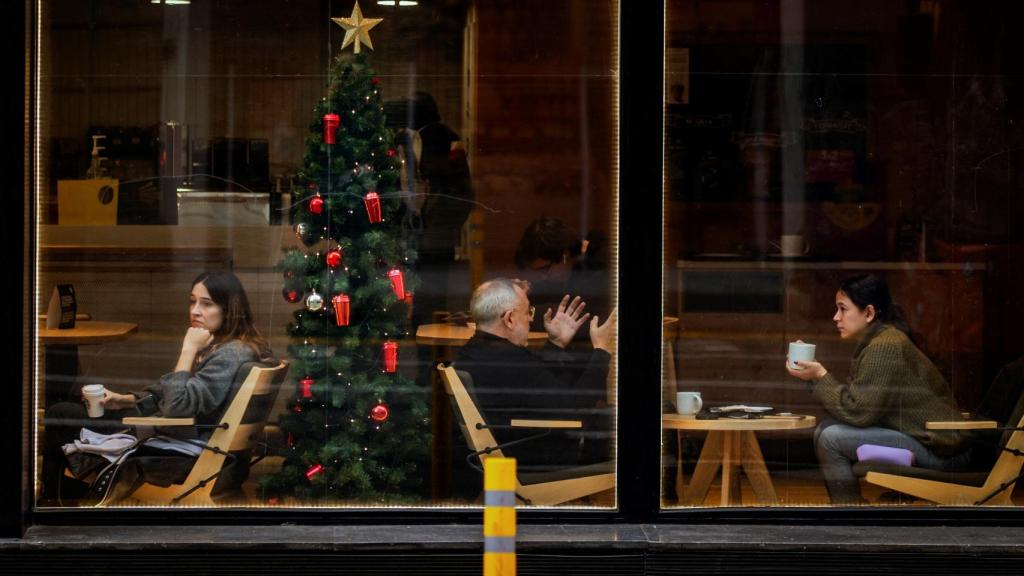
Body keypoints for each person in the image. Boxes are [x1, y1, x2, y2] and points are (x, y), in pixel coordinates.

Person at [41, 271, 274, 504]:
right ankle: (63, 497)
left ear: (228, 309)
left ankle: (52, 502)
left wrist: (188, 350)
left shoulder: (231, 354)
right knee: (67, 412)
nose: (194, 311)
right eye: (193, 301)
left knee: (61, 414)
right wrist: (125, 400)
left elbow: (177, 408)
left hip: (183, 451)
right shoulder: (230, 347)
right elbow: (182, 392)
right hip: (188, 440)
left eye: (207, 304)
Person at [786, 274, 971, 504]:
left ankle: (851, 514)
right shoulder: (880, 341)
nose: (836, 317)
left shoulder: (885, 346)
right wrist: (814, 378)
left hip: (942, 451)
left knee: (830, 438)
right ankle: (849, 508)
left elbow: (858, 413)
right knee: (825, 429)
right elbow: (862, 406)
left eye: (843, 309)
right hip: (926, 440)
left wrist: (820, 376)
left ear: (869, 313)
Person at [455, 278, 617, 471]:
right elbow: (576, 409)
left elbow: (537, 383)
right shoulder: (508, 361)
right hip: (532, 460)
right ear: (509, 319)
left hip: (512, 447)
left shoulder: (474, 351)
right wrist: (602, 350)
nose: (531, 319)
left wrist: (556, 344)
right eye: (527, 312)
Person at [514, 217, 610, 340]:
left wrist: (523, 312)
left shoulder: (599, 267)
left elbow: (577, 318)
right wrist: (521, 291)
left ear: (564, 256)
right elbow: (555, 289)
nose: (543, 277)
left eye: (544, 269)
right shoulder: (574, 265)